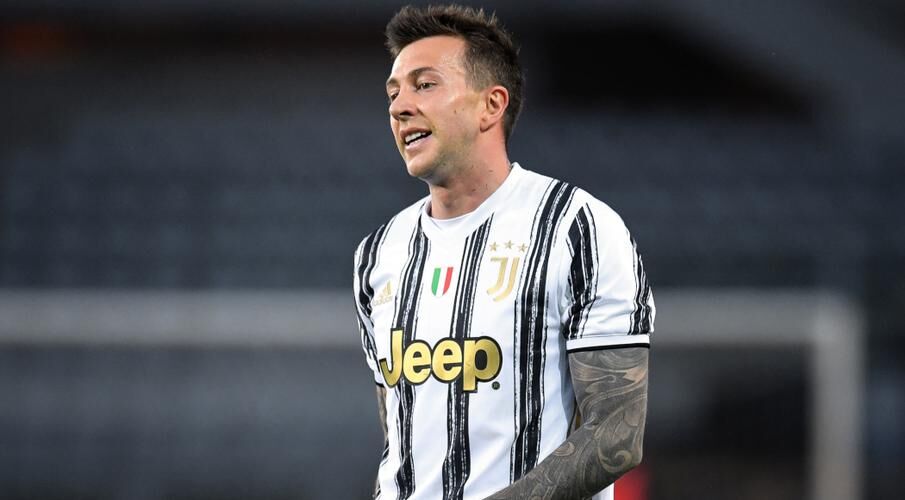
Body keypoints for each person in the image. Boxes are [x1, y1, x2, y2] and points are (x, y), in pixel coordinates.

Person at [353, 5, 654, 500]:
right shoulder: (377, 255)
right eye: (393, 92)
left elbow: (616, 437)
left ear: (491, 106)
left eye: (424, 85)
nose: (400, 106)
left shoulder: (577, 229)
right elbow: (401, 440)